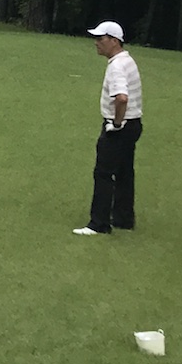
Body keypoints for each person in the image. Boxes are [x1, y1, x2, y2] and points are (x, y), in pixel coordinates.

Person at [74, 21, 143, 236]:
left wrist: (116, 123)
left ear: (114, 41)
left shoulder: (116, 67)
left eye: (100, 39)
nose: (96, 43)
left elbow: (121, 98)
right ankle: (123, 218)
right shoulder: (127, 60)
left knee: (103, 173)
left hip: (121, 127)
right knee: (124, 172)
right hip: (134, 124)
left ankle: (99, 223)